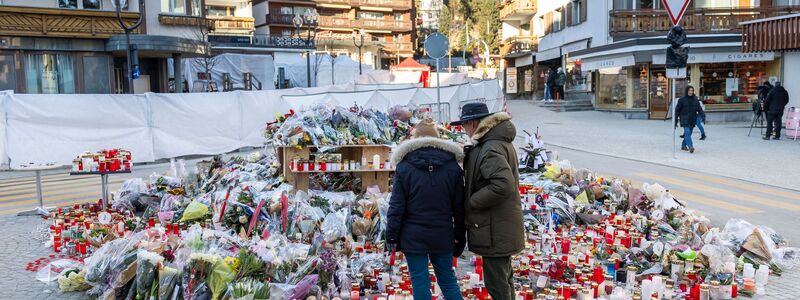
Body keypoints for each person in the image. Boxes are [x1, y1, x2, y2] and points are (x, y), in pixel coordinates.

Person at [386, 118, 466, 300]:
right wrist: (460, 236)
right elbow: (459, 207)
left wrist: (391, 236)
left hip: (413, 235)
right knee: (447, 280)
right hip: (442, 234)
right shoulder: (452, 167)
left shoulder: (405, 167)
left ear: (415, 139)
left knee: (419, 281)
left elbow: (397, 206)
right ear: (438, 139)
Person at [451, 103, 524, 300]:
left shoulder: (490, 147)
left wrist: (472, 201)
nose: (464, 130)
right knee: (503, 277)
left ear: (474, 123)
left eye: (464, 125)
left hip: (495, 227)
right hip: (498, 224)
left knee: (497, 282)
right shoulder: (493, 142)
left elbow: (502, 185)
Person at [675, 86, 705, 153]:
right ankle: (690, 146)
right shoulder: (682, 100)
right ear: (686, 91)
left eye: (692, 90)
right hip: (684, 119)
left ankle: (683, 145)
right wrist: (675, 120)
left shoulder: (695, 100)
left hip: (692, 119)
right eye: (689, 90)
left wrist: (703, 116)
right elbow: (677, 111)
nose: (690, 92)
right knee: (687, 132)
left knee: (689, 133)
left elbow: (699, 109)